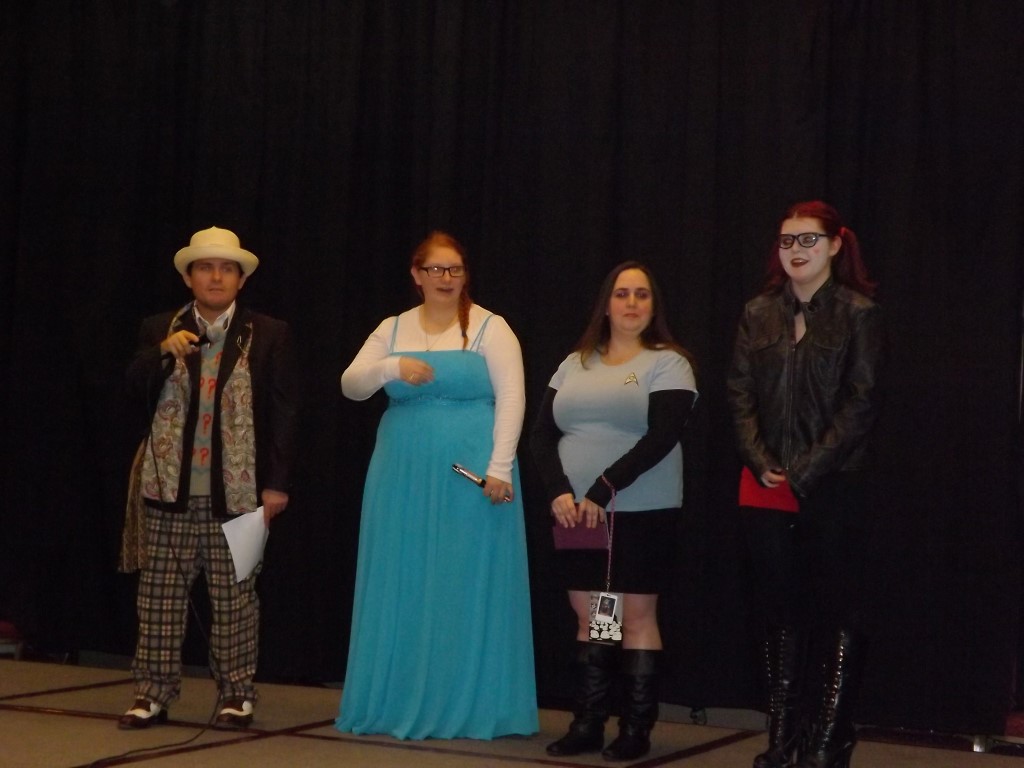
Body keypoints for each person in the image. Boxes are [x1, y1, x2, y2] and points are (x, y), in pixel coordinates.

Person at [336, 231, 537, 739]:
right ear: (417, 274)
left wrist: (500, 466)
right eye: (435, 269)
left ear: (465, 275)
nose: (446, 278)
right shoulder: (392, 328)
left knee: (460, 582)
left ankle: (470, 702)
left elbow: (513, 398)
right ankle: (397, 699)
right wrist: (392, 367)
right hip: (401, 471)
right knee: (403, 578)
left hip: (469, 474)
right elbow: (351, 385)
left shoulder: (491, 327)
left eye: (455, 269)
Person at [118, 226, 298, 730]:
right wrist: (162, 352)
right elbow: (131, 389)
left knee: (236, 599)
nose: (215, 277)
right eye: (205, 268)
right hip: (168, 489)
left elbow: (285, 413)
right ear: (188, 277)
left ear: (241, 280)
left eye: (226, 269)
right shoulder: (160, 327)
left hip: (238, 493)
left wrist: (277, 484)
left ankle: (236, 693)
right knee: (159, 598)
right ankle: (152, 692)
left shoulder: (269, 333)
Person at [727, 201, 884, 768]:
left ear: (835, 245)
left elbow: (862, 401)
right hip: (766, 481)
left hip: (834, 483)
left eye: (808, 240)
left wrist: (807, 469)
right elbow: (739, 392)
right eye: (787, 240)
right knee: (778, 611)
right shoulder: (758, 312)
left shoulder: (858, 314)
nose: (796, 250)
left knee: (838, 609)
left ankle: (830, 737)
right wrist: (759, 457)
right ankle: (783, 736)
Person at [530, 261, 697, 761]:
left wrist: (602, 490)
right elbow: (541, 435)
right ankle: (588, 723)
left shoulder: (669, 363)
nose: (631, 303)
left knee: (637, 615)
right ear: (606, 304)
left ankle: (635, 728)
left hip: (641, 508)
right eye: (622, 294)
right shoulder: (574, 363)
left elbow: (662, 437)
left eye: (641, 294)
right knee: (596, 613)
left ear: (653, 305)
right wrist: (560, 491)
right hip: (576, 513)